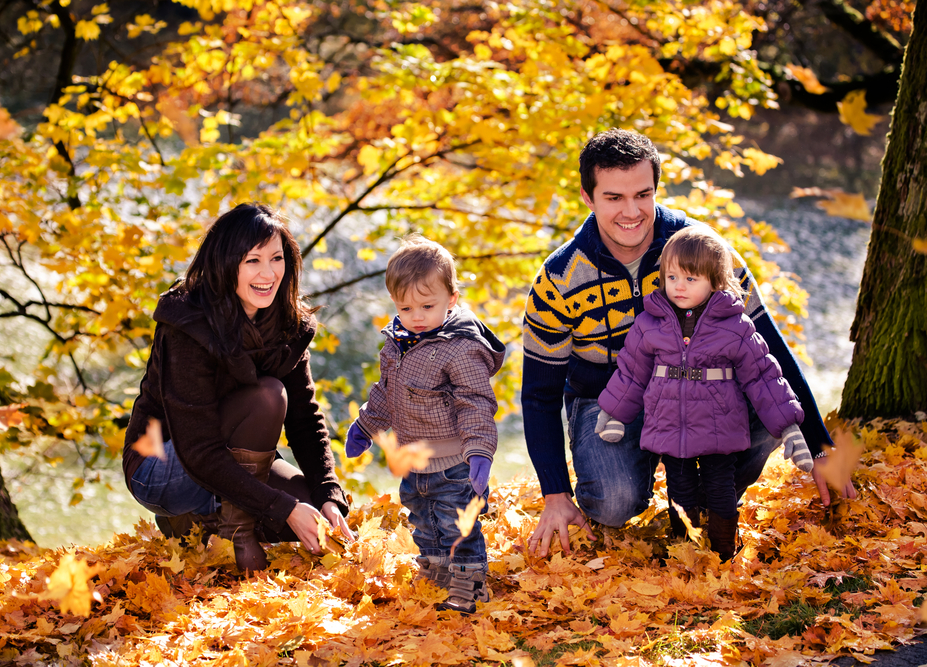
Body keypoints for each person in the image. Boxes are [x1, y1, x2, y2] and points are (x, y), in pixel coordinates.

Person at [522, 129, 857, 557]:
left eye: (643, 194)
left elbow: (766, 349)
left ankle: (703, 500)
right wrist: (554, 493)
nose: (631, 211)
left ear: (657, 189)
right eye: (614, 198)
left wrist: (821, 446)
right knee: (613, 501)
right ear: (588, 197)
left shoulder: (704, 250)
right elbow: (538, 394)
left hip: (705, 387)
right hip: (607, 399)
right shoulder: (559, 278)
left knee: (765, 402)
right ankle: (643, 479)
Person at [123, 203, 354, 574]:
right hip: (162, 467)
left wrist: (328, 494)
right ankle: (236, 535)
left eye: (276, 258)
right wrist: (280, 508)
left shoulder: (286, 325)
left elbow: (305, 420)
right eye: (252, 261)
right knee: (267, 396)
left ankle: (196, 524)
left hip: (229, 460)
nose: (268, 273)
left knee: (312, 507)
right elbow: (198, 450)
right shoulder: (188, 324)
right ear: (226, 263)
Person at [595, 225, 813, 561]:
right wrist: (614, 414)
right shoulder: (651, 323)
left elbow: (763, 376)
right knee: (680, 491)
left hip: (718, 425)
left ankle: (724, 550)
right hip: (670, 426)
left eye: (691, 279)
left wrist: (789, 426)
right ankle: (686, 550)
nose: (679, 287)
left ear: (715, 281)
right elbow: (632, 373)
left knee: (721, 489)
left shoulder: (735, 326)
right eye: (672, 277)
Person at [344, 235, 506, 613]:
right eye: (406, 307)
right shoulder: (396, 344)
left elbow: (476, 403)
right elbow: (386, 392)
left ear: (452, 299)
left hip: (453, 462)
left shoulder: (460, 347)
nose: (416, 316)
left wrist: (479, 451)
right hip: (414, 459)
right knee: (424, 520)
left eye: (427, 306)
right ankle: (437, 575)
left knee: (455, 525)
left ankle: (469, 583)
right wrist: (365, 426)